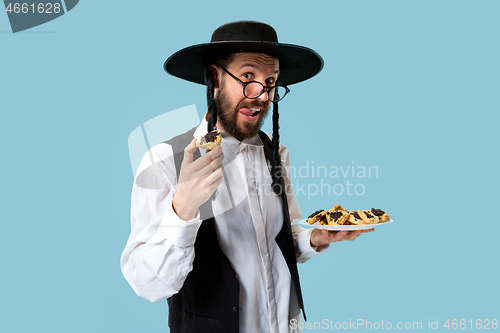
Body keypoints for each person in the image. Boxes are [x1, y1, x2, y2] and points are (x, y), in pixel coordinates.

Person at [120, 21, 374, 333]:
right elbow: (146, 284)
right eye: (248, 77)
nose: (261, 95)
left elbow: (275, 241)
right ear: (215, 77)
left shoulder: (275, 153)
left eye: (271, 81)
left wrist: (316, 237)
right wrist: (182, 210)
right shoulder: (164, 161)